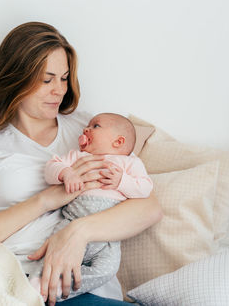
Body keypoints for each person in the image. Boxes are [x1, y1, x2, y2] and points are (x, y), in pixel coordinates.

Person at [0, 21, 163, 306]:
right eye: (47, 79)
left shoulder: (89, 130)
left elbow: (149, 207)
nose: (59, 90)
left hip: (88, 281)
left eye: (64, 78)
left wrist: (78, 232)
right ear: (15, 77)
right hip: (25, 284)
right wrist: (45, 200)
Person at [29, 112, 153, 301]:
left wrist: (122, 182)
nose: (86, 129)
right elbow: (51, 167)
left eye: (95, 126)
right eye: (87, 125)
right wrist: (66, 173)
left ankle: (61, 290)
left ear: (118, 142)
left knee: (107, 270)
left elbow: (145, 188)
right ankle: (35, 286)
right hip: (71, 221)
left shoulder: (129, 163)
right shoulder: (78, 156)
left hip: (108, 236)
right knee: (50, 256)